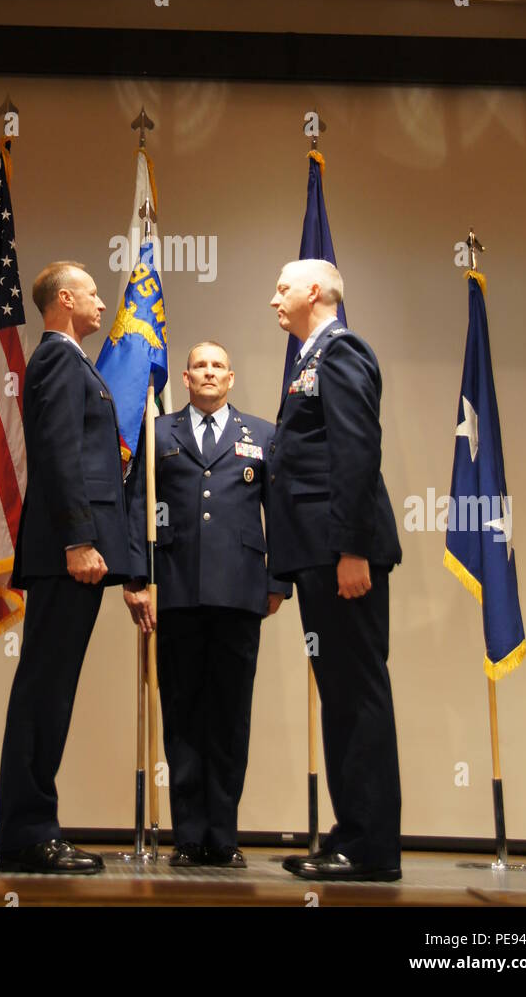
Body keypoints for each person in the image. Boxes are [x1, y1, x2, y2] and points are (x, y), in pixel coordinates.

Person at [0, 261, 146, 875]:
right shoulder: (59, 359)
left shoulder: (73, 361)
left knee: (52, 690)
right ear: (64, 298)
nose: (99, 302)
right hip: (68, 557)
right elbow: (58, 454)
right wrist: (78, 541)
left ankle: (32, 828)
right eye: (89, 291)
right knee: (44, 690)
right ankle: (30, 833)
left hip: (74, 555)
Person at [126, 341, 290, 868]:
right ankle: (188, 835)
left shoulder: (262, 435)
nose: (210, 372)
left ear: (232, 377)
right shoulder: (159, 433)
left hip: (241, 595)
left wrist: (279, 580)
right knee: (181, 714)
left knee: (229, 717)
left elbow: (278, 512)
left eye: (219, 365)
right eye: (201, 365)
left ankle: (224, 834)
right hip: (174, 591)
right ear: (187, 376)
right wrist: (136, 577)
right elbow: (138, 509)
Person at [268, 259, 402, 882]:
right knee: (342, 697)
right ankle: (351, 838)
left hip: (340, 552)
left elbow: (355, 449)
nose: (275, 299)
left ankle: (370, 850)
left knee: (357, 695)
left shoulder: (342, 352)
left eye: (283, 288)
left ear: (314, 292)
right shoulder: (308, 360)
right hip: (318, 552)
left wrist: (351, 549)